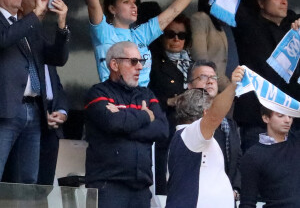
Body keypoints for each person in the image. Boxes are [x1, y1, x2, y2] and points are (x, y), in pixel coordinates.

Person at [223, 0, 300, 152]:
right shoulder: (248, 24)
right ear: (260, 2)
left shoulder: (294, 25)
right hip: (257, 118)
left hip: (293, 117)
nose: (284, 1)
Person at [0, 0, 70, 183]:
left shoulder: (29, 27)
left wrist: (61, 24)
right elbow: (4, 39)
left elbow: (57, 58)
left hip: (34, 111)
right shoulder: (21, 24)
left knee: (28, 181)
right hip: (5, 112)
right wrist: (35, 14)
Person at [85, 0, 205, 86]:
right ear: (112, 8)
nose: (134, 6)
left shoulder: (141, 33)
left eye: (135, 2)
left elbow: (174, 10)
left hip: (141, 100)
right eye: (126, 2)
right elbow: (93, 5)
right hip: (114, 99)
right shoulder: (104, 32)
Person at [84, 41, 169, 208]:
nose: (139, 67)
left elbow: (163, 130)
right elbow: (112, 123)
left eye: (141, 61)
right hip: (108, 187)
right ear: (114, 64)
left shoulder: (146, 94)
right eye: (133, 61)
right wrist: (145, 115)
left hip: (141, 188)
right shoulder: (97, 93)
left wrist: (124, 124)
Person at [166, 65, 244, 208]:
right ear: (205, 113)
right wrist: (233, 86)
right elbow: (215, 117)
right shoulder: (189, 135)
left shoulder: (190, 136)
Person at [21, 0, 69, 185]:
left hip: (51, 125)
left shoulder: (40, 36)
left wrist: (62, 111)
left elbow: (56, 84)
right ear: (21, 5)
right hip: (26, 116)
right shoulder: (15, 36)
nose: (45, 3)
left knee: (44, 186)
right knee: (23, 183)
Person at [149, 13, 192, 194]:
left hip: (192, 128)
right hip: (166, 127)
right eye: (170, 34)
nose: (176, 39)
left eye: (181, 35)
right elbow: (145, 95)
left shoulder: (194, 63)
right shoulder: (152, 63)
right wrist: (170, 101)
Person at [187, 60, 242, 201]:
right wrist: (234, 85)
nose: (210, 82)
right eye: (203, 77)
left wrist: (235, 189)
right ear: (189, 86)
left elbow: (238, 161)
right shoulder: (187, 120)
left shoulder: (230, 124)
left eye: (213, 77)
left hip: (226, 199)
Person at [240, 107, 300, 207]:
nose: (287, 120)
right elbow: (247, 202)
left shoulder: (297, 143)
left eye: (290, 116)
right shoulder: (253, 155)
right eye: (280, 115)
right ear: (266, 118)